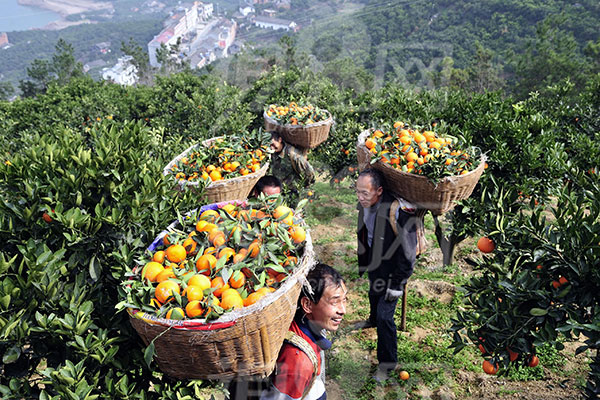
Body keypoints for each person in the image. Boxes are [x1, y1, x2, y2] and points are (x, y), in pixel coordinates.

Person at [355, 168, 417, 383]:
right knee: (374, 294)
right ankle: (372, 319)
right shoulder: (365, 205)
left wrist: (397, 284)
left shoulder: (397, 210)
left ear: (379, 190)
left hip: (394, 270)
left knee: (385, 316)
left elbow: (408, 255)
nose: (360, 197)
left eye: (365, 193)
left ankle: (387, 364)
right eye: (358, 192)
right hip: (376, 261)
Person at [260, 263, 347, 400]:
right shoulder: (298, 362)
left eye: (344, 300)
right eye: (334, 302)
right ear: (307, 305)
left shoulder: (305, 323)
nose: (343, 310)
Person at [269, 132, 315, 205]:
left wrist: (306, 188)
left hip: (294, 194)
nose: (271, 148)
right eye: (269, 145)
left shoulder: (293, 155)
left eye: (273, 144)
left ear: (280, 140)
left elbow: (309, 172)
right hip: (281, 192)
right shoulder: (274, 153)